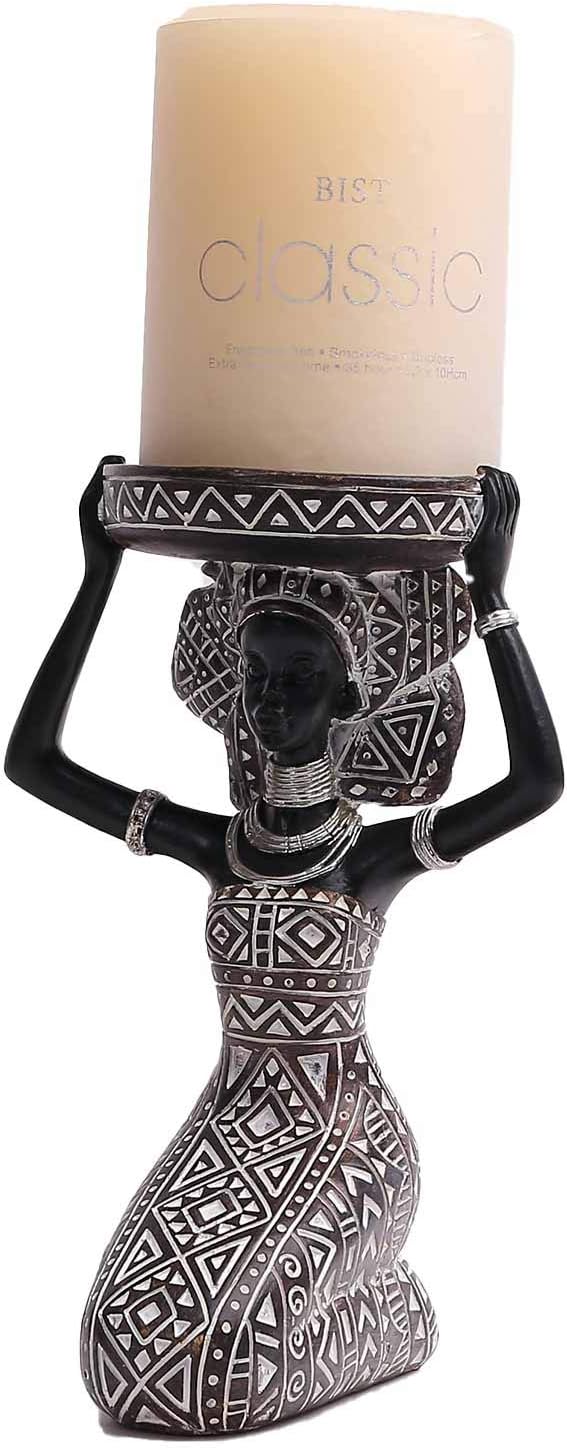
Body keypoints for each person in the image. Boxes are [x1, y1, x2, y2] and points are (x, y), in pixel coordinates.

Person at [5, 462, 562, 1432]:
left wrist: (494, 597)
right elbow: (31, 762)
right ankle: (365, 1303)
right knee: (119, 1357)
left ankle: (396, 1313)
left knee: (216, 1370)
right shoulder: (218, 845)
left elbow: (536, 783)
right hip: (232, 1118)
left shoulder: (367, 859)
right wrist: (98, 574)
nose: (270, 701)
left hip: (345, 1133)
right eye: (257, 676)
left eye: (299, 679)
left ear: (346, 693)